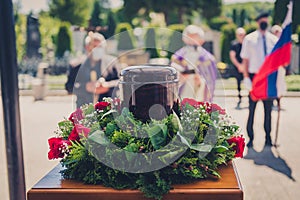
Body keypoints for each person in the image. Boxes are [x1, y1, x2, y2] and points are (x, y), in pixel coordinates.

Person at [240, 13, 278, 147]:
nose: (264, 22)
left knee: (269, 111)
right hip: (254, 78)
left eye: (266, 20)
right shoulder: (249, 39)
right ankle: (251, 138)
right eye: (262, 20)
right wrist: (246, 77)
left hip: (269, 79)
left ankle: (268, 137)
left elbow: (276, 61)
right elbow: (245, 59)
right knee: (252, 110)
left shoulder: (273, 39)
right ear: (257, 22)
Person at [171, 25, 217, 102]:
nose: (191, 40)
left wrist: (201, 79)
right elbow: (173, 69)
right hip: (184, 86)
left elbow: (210, 76)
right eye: (189, 38)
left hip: (199, 88)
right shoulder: (179, 55)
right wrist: (181, 76)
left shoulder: (207, 57)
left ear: (201, 40)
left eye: (194, 38)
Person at [73, 32, 119, 108]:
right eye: (94, 46)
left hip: (107, 109)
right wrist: (85, 86)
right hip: (84, 108)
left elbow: (119, 82)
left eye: (100, 46)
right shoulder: (77, 64)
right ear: (87, 47)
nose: (98, 49)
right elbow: (69, 85)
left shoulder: (111, 63)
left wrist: (107, 85)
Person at [229, 27, 246, 108]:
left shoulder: (247, 44)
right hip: (237, 66)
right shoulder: (234, 44)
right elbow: (232, 56)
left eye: (243, 34)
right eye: (240, 34)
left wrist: (244, 65)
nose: (241, 36)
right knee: (238, 82)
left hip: (246, 66)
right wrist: (239, 66)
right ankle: (239, 97)